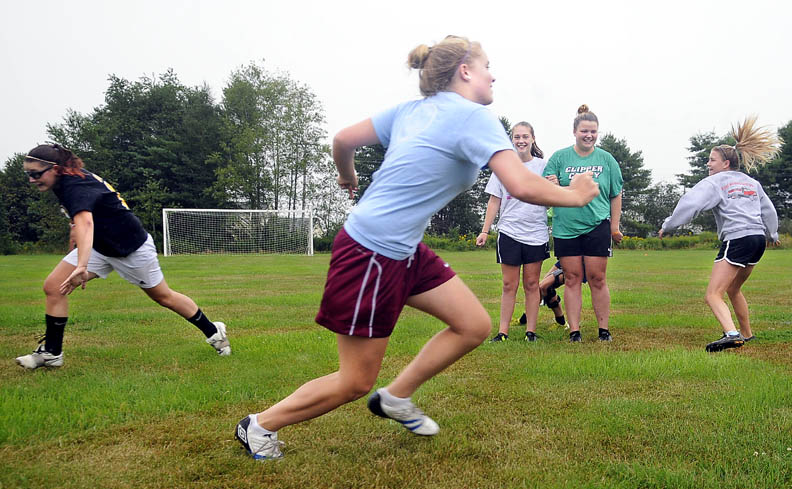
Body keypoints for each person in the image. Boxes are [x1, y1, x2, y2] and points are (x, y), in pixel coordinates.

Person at [234, 35, 599, 460]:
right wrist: (575, 195)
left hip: (403, 249)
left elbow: (343, 141)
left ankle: (398, 396)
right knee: (354, 381)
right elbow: (518, 183)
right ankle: (258, 425)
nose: (492, 74)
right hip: (371, 251)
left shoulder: (410, 110)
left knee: (474, 326)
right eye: (486, 66)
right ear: (465, 71)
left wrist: (347, 176)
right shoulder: (474, 116)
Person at [16, 143, 231, 370]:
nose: (31, 179)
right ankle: (52, 353)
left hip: (130, 249)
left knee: (163, 297)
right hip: (100, 245)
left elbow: (86, 221)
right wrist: (74, 231)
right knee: (53, 286)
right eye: (28, 174)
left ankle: (214, 332)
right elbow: (87, 215)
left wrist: (82, 264)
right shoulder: (66, 181)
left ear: (56, 168)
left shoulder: (74, 185)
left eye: (35, 174)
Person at [659, 116, 781, 353]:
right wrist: (773, 234)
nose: (708, 164)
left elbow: (689, 204)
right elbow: (769, 210)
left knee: (713, 294)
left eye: (712, 160)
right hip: (757, 240)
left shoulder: (715, 182)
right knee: (733, 289)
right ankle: (747, 334)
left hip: (737, 239)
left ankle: (732, 335)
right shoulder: (751, 182)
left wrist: (669, 225)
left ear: (726, 164)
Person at [542, 105, 623, 343]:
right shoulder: (559, 158)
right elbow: (547, 190)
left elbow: (615, 193)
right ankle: (574, 331)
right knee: (572, 277)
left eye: (593, 131)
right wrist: (555, 184)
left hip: (597, 225)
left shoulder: (606, 160)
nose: (589, 135)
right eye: (584, 131)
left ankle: (603, 330)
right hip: (566, 228)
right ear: (575, 132)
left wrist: (614, 227)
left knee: (598, 278)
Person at [476, 121, 549, 342]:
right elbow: (494, 200)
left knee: (531, 284)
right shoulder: (503, 167)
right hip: (509, 232)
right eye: (517, 137)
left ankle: (531, 332)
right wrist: (485, 230)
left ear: (533, 139)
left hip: (536, 233)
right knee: (509, 285)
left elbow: (555, 193)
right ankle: (503, 332)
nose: (521, 141)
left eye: (525, 136)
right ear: (512, 140)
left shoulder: (543, 166)